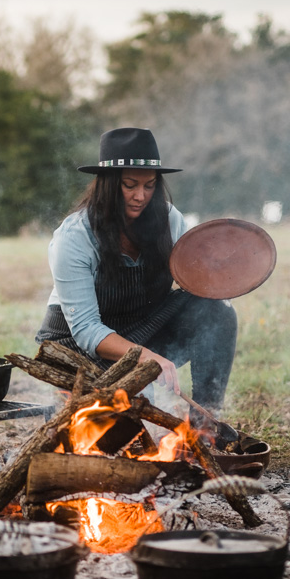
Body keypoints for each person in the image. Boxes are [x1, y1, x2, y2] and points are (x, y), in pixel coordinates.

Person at [36, 128, 237, 410]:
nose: (140, 196)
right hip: (76, 342)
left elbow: (200, 277)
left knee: (218, 310)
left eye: (150, 185)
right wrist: (145, 357)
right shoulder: (75, 236)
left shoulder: (169, 220)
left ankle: (207, 425)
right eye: (129, 185)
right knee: (131, 415)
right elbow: (85, 330)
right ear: (107, 183)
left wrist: (225, 270)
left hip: (142, 327)